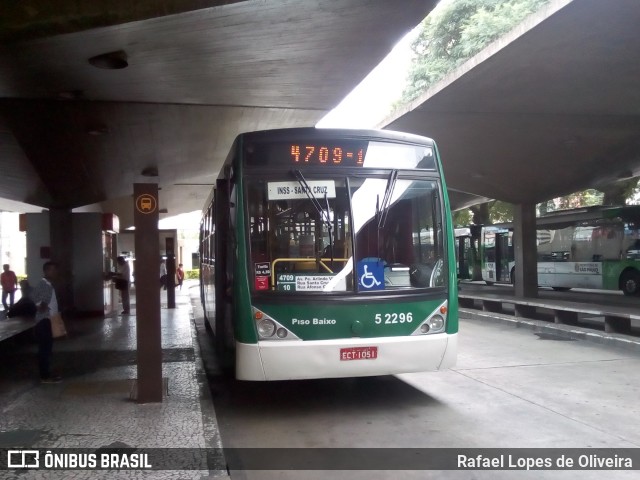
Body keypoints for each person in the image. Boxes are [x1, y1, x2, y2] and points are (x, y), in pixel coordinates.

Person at [31, 261, 62, 383]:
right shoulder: (45, 286)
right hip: (44, 321)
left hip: (47, 320)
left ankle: (46, 373)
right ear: (46, 271)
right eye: (52, 270)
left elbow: (33, 296)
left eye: (55, 270)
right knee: (45, 349)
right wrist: (45, 308)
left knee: (47, 348)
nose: (55, 273)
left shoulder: (45, 284)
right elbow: (41, 305)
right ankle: (45, 376)